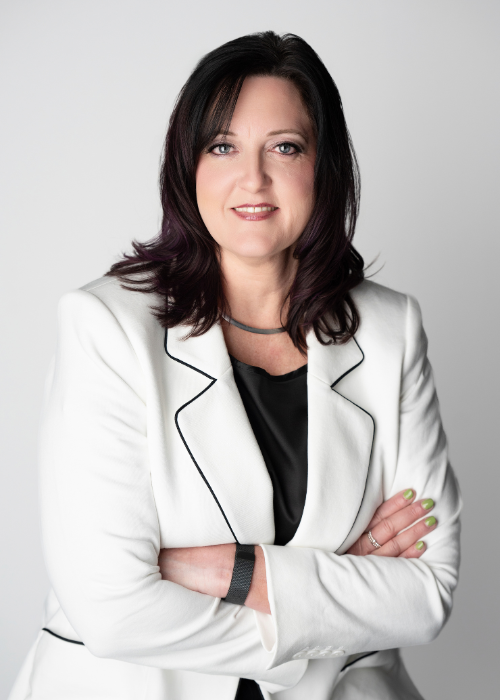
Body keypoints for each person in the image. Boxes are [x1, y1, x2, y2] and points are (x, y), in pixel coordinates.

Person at [8, 31, 461, 700]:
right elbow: (114, 611)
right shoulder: (105, 327)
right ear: (187, 167)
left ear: (323, 166)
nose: (253, 179)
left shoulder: (391, 330)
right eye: (223, 147)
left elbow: (428, 591)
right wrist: (331, 615)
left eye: (285, 147)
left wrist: (236, 571)